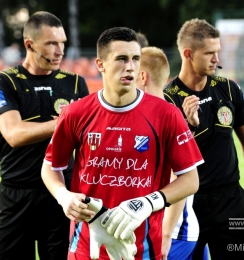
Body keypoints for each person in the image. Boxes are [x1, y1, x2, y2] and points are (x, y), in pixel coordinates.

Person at [41, 26, 204, 260]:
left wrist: (149, 202)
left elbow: (190, 179)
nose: (130, 67)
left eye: (135, 59)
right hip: (86, 247)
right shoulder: (76, 113)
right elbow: (50, 166)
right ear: (100, 64)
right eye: (121, 59)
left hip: (143, 248)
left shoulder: (166, 114)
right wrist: (63, 196)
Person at [0, 11, 89, 260]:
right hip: (16, 195)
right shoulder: (4, 81)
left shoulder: (75, 84)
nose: (60, 50)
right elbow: (14, 134)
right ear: (29, 45)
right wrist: (64, 121)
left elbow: (88, 141)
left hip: (60, 197)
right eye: (52, 43)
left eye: (62, 43)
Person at [163, 18, 244, 260]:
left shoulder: (228, 89)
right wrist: (187, 126)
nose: (216, 59)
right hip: (188, 205)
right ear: (188, 54)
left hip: (231, 203)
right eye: (209, 53)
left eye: (217, 52)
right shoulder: (168, 100)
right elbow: (168, 164)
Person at [137, 46, 200, 260]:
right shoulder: (155, 117)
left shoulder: (165, 120)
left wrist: (165, 234)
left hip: (173, 234)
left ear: (142, 77)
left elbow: (181, 180)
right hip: (169, 231)